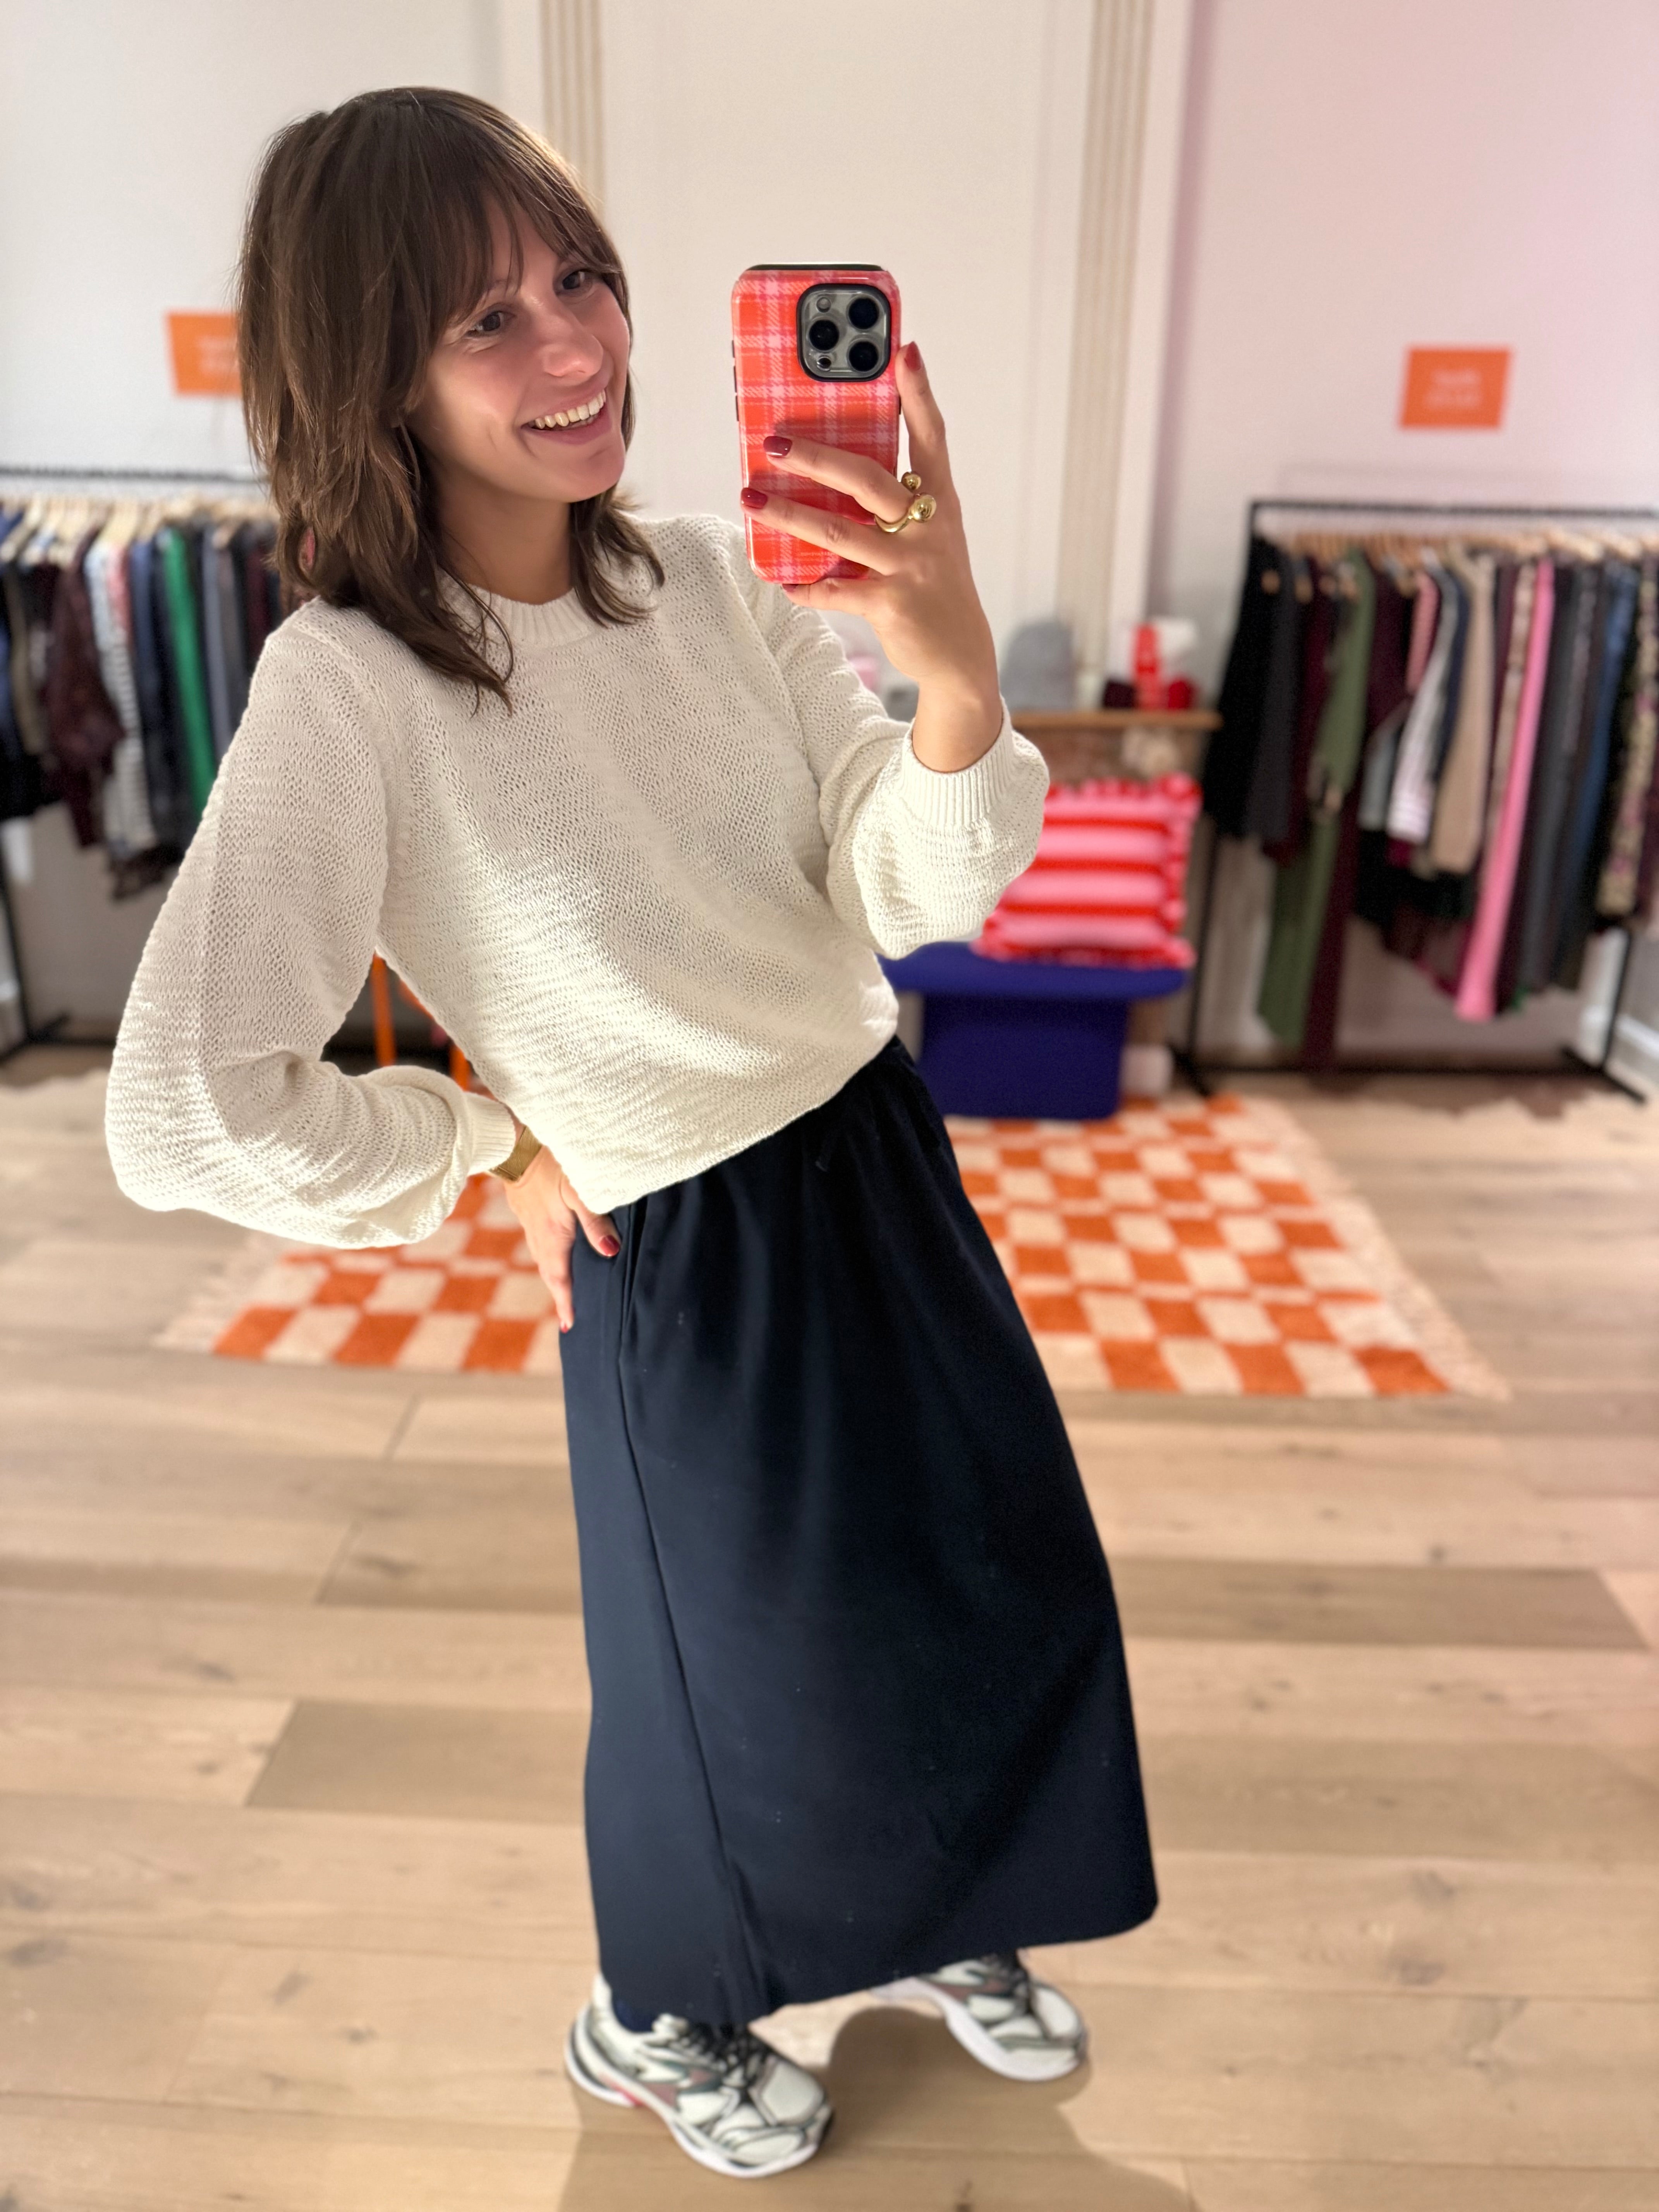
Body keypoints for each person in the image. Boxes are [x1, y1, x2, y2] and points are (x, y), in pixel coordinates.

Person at [103, 87, 1157, 2181]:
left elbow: (892, 887)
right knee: (743, 1679)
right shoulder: (348, 688)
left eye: (582, 277)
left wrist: (953, 683)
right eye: (489, 318)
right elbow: (183, 1101)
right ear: (370, 371)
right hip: (674, 1244)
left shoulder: (712, 579)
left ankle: (951, 1904)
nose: (578, 343)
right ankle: (660, 2012)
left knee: (983, 1582)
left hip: (878, 1156)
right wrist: (487, 1152)